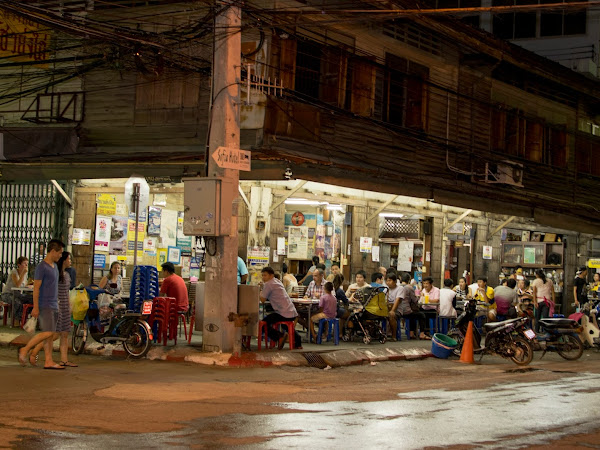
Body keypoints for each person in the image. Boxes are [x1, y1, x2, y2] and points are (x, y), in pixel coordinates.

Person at [18, 239, 65, 370]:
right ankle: (25, 349)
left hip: (54, 304)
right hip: (45, 304)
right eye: (59, 253)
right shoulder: (41, 267)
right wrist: (36, 307)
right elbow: (36, 288)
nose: (60, 255)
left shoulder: (55, 267)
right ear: (53, 251)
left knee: (50, 336)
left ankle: (48, 360)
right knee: (49, 332)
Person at [28, 251, 78, 368]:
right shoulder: (55, 273)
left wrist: (69, 304)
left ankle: (64, 360)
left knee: (64, 334)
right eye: (68, 259)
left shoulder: (66, 274)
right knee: (53, 335)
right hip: (56, 306)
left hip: (65, 306)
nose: (70, 261)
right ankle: (33, 351)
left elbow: (67, 291)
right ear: (64, 260)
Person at [259, 266, 301, 349]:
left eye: (265, 275)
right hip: (291, 311)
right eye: (262, 275)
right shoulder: (277, 281)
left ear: (271, 275)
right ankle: (298, 343)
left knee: (262, 324)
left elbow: (262, 299)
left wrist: (259, 290)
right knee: (286, 326)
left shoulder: (269, 284)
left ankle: (279, 337)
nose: (263, 277)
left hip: (283, 312)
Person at [392, 272, 428, 340]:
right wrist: (419, 297)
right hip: (406, 311)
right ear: (409, 280)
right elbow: (415, 300)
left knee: (413, 315)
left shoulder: (397, 287)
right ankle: (421, 333)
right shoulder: (409, 288)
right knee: (421, 315)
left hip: (397, 310)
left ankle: (411, 333)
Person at [1, 256, 32, 326]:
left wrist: (29, 285)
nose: (26, 265)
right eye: (24, 263)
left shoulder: (25, 274)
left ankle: (24, 318)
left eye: (27, 263)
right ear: (19, 265)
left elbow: (24, 284)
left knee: (31, 299)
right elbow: (17, 285)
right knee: (17, 302)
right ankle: (17, 320)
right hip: (7, 294)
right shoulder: (14, 272)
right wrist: (23, 274)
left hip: (18, 294)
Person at [532, 269, 555, 333]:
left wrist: (535, 302)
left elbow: (534, 292)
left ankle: (537, 332)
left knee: (537, 318)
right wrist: (553, 302)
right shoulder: (550, 281)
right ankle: (545, 332)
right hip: (547, 301)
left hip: (539, 301)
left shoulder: (535, 281)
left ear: (537, 275)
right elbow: (553, 292)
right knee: (545, 318)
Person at [386, 273, 404, 340]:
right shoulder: (386, 289)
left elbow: (398, 300)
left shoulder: (400, 288)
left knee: (391, 315)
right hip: (387, 309)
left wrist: (393, 310)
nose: (388, 282)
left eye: (390, 280)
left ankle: (393, 335)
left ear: (395, 281)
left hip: (397, 310)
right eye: (387, 281)